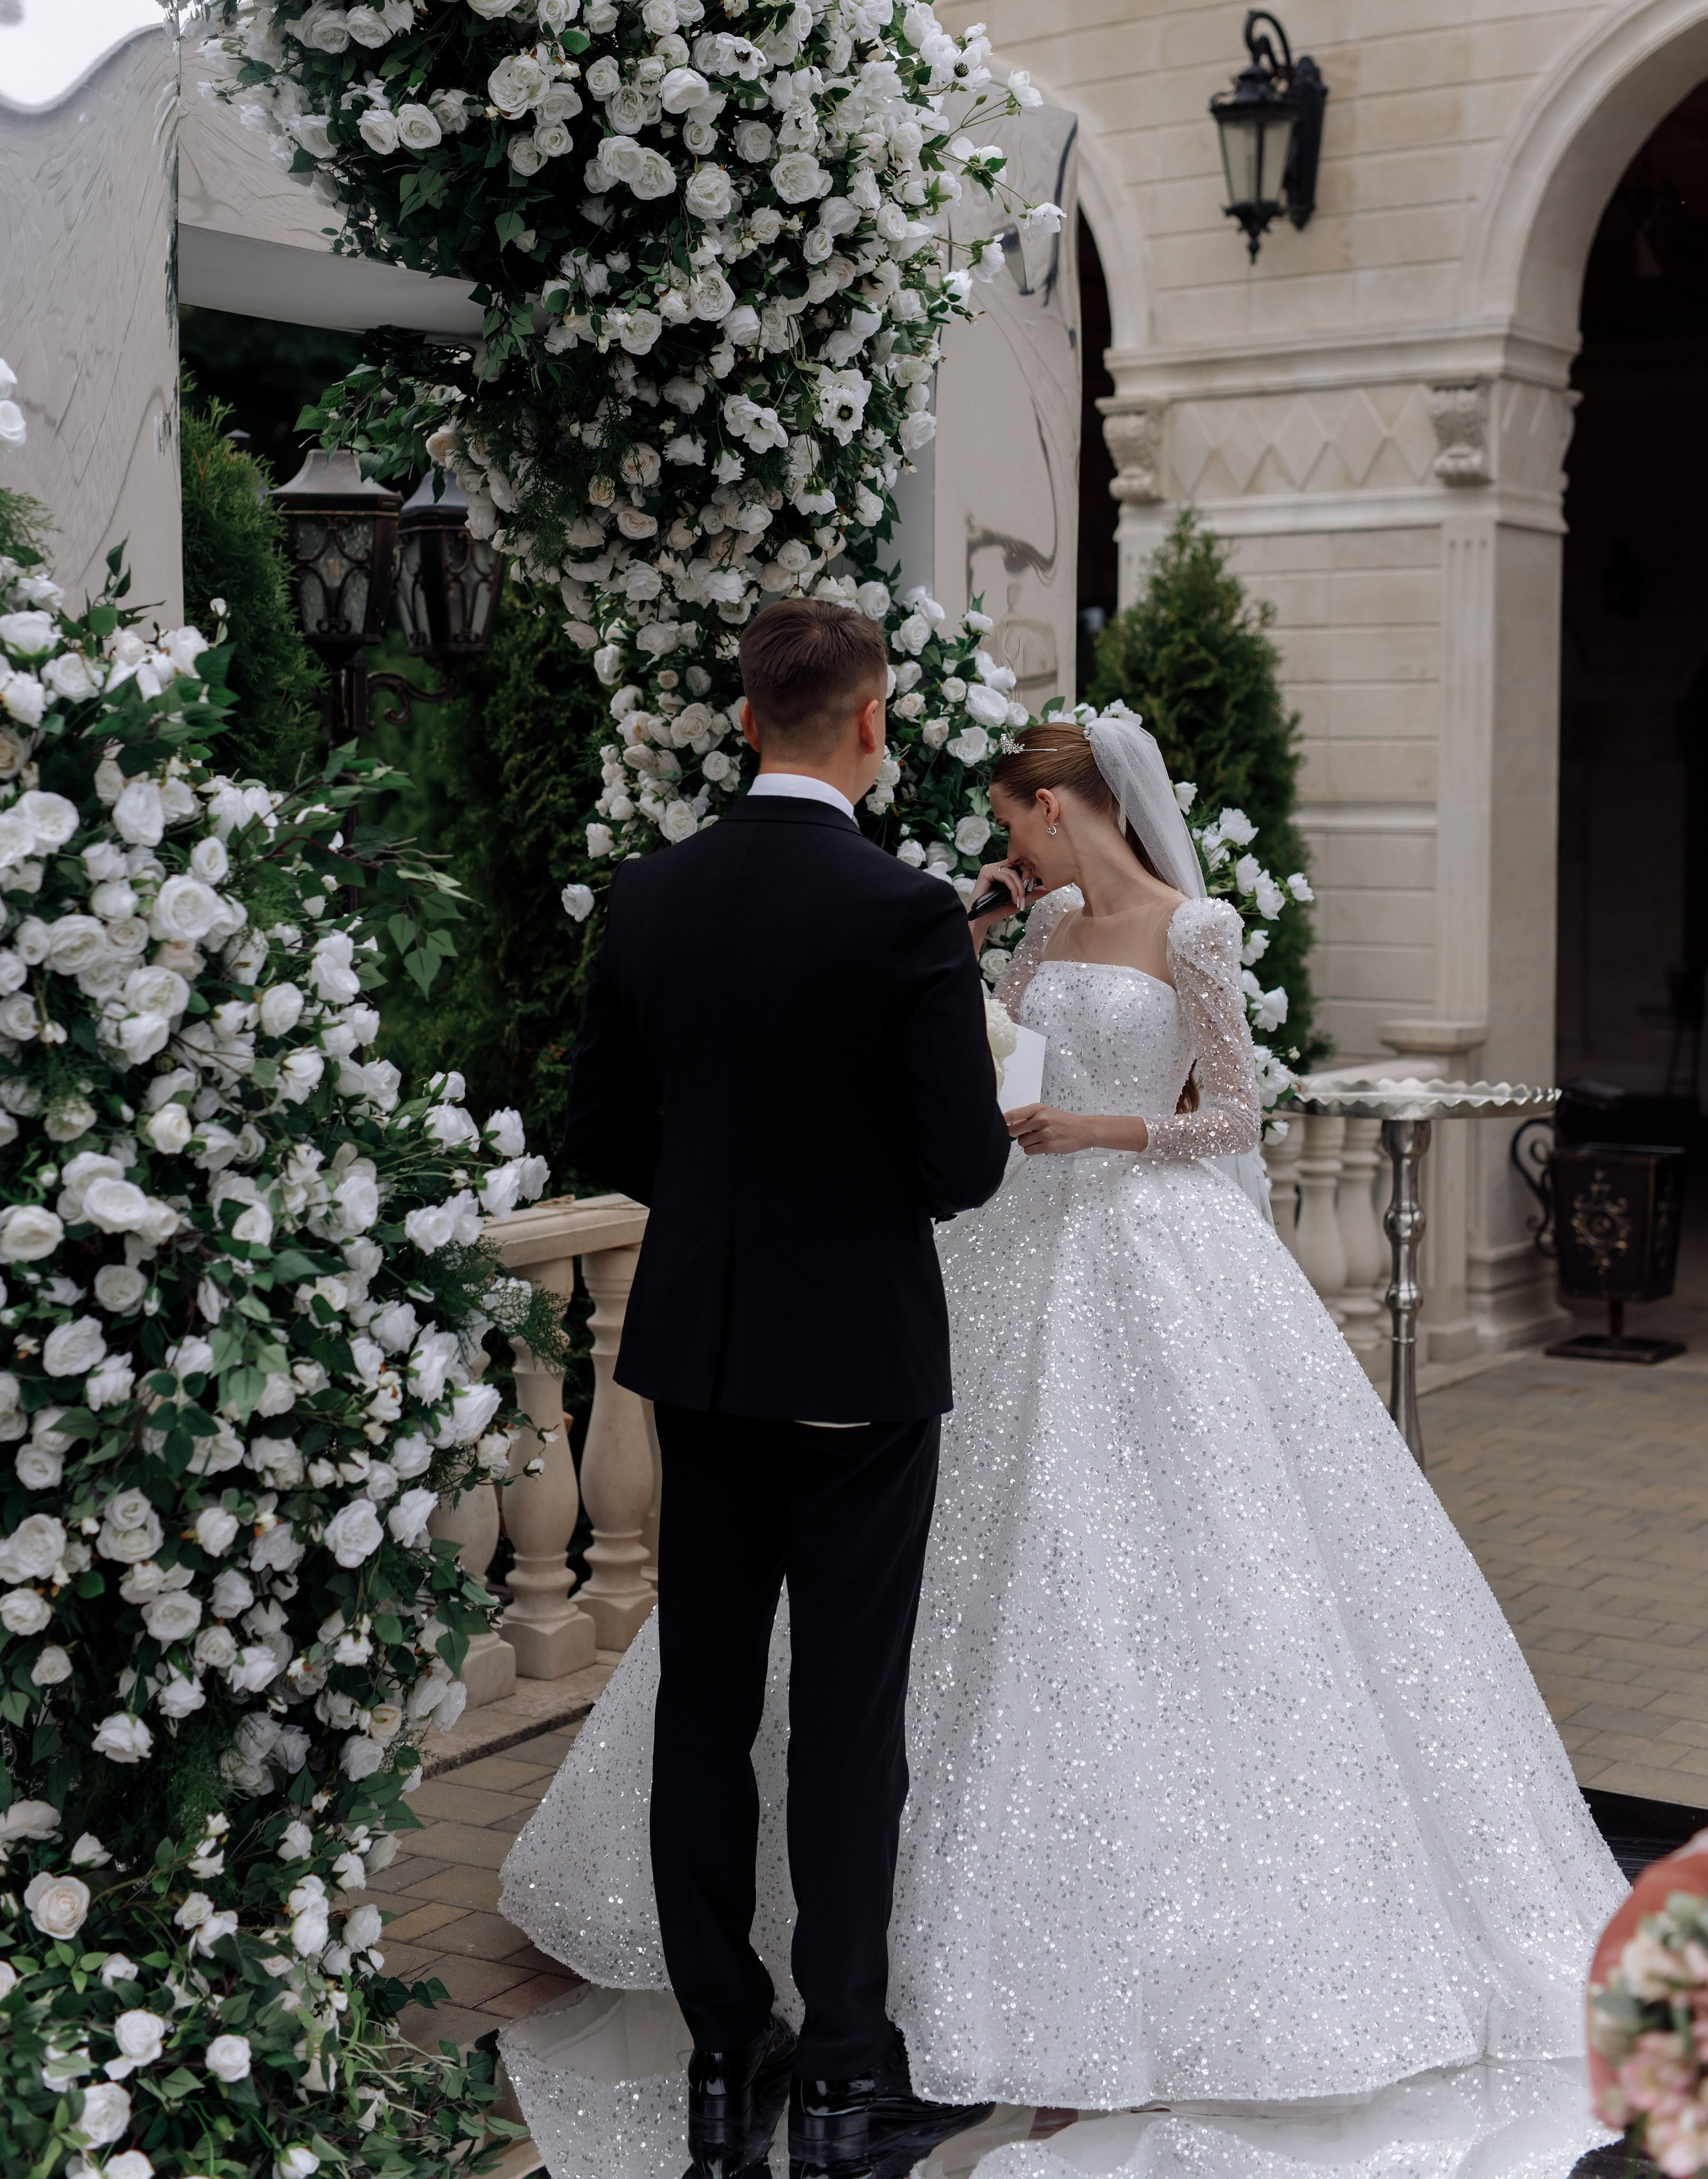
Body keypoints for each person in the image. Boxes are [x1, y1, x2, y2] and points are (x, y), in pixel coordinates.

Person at [510, 713, 1627, 2118]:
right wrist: (978, 961)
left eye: (1012, 823)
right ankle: (847, 1978)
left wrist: (1097, 1134)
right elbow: (987, 1072)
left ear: (1057, 803)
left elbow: (1234, 1113)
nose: (1003, 848)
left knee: (1157, 1560)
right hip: (1013, 1243)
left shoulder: (1193, 927)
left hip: (1149, 1245)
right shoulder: (1029, 934)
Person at [554, 598, 1011, 2166]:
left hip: (698, 1352)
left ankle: (716, 2045)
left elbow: (600, 1133)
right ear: (871, 724)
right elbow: (961, 1169)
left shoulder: (648, 896)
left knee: (701, 1697)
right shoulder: (904, 912)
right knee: (843, 1712)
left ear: (746, 720)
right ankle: (838, 2067)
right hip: (857, 1369)